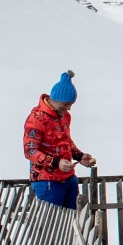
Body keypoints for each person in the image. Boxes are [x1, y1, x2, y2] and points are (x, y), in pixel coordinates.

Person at [23, 70, 95, 208]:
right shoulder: (36, 119)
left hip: (68, 178)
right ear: (55, 100)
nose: (68, 108)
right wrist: (56, 163)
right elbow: (30, 151)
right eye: (65, 104)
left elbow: (66, 141)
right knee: (52, 225)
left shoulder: (65, 116)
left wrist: (79, 156)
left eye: (70, 105)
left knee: (72, 221)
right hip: (46, 181)